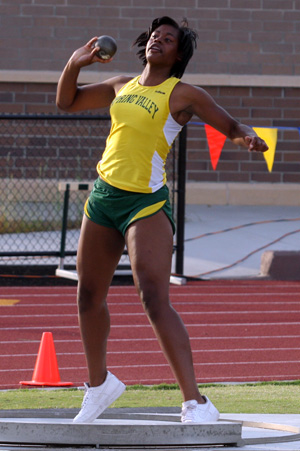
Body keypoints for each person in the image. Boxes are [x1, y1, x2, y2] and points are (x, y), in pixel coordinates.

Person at [56, 16, 268, 424]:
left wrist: (248, 138)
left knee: (153, 297)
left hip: (145, 204)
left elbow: (230, 125)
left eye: (168, 39)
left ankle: (196, 402)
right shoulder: (121, 84)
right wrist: (74, 63)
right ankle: (100, 385)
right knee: (87, 296)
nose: (158, 40)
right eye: (155, 35)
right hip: (104, 197)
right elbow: (67, 101)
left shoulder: (183, 94)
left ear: (178, 54)